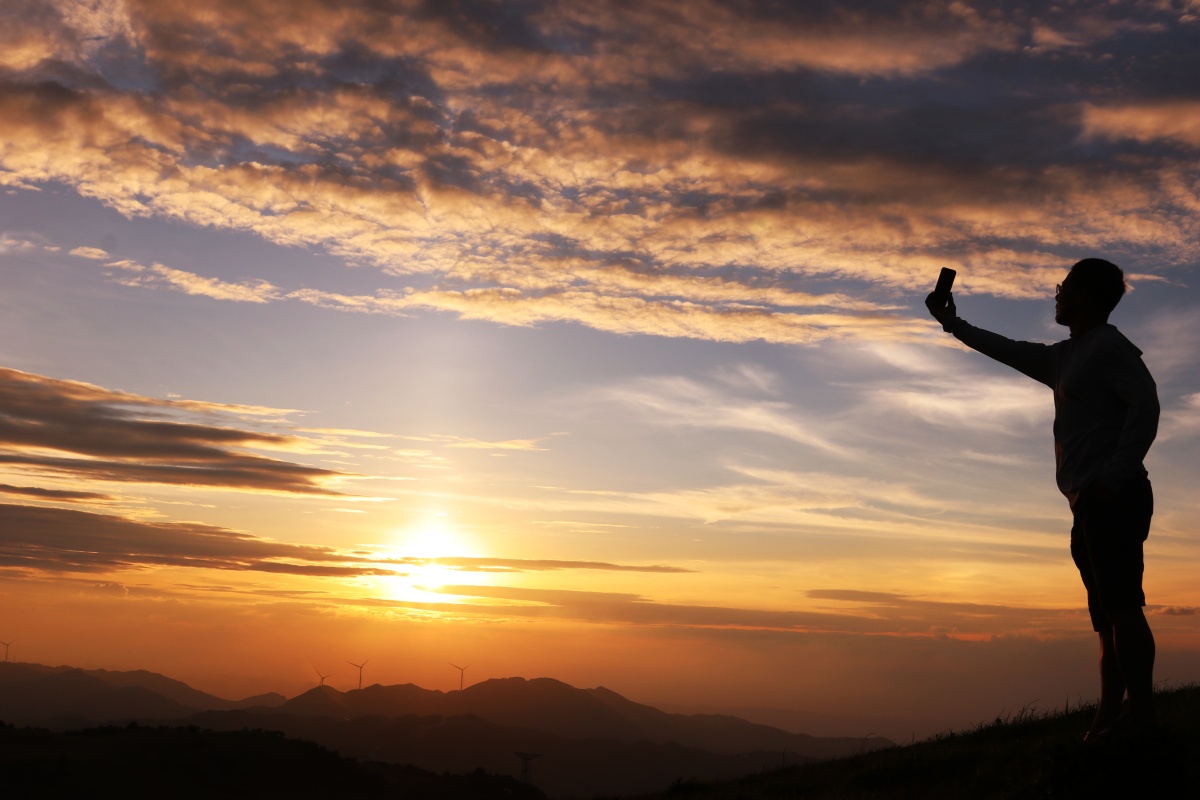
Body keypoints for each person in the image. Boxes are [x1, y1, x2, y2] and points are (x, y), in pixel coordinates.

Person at [925, 258, 1159, 742]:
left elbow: (1146, 404)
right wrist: (953, 323)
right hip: (1089, 501)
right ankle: (1108, 720)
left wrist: (1113, 475)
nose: (1056, 294)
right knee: (1106, 618)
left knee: (1122, 609)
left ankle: (1142, 722)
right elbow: (1008, 350)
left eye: (1064, 287)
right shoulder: (1066, 356)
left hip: (1112, 496)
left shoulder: (1109, 348)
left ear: (1086, 296)